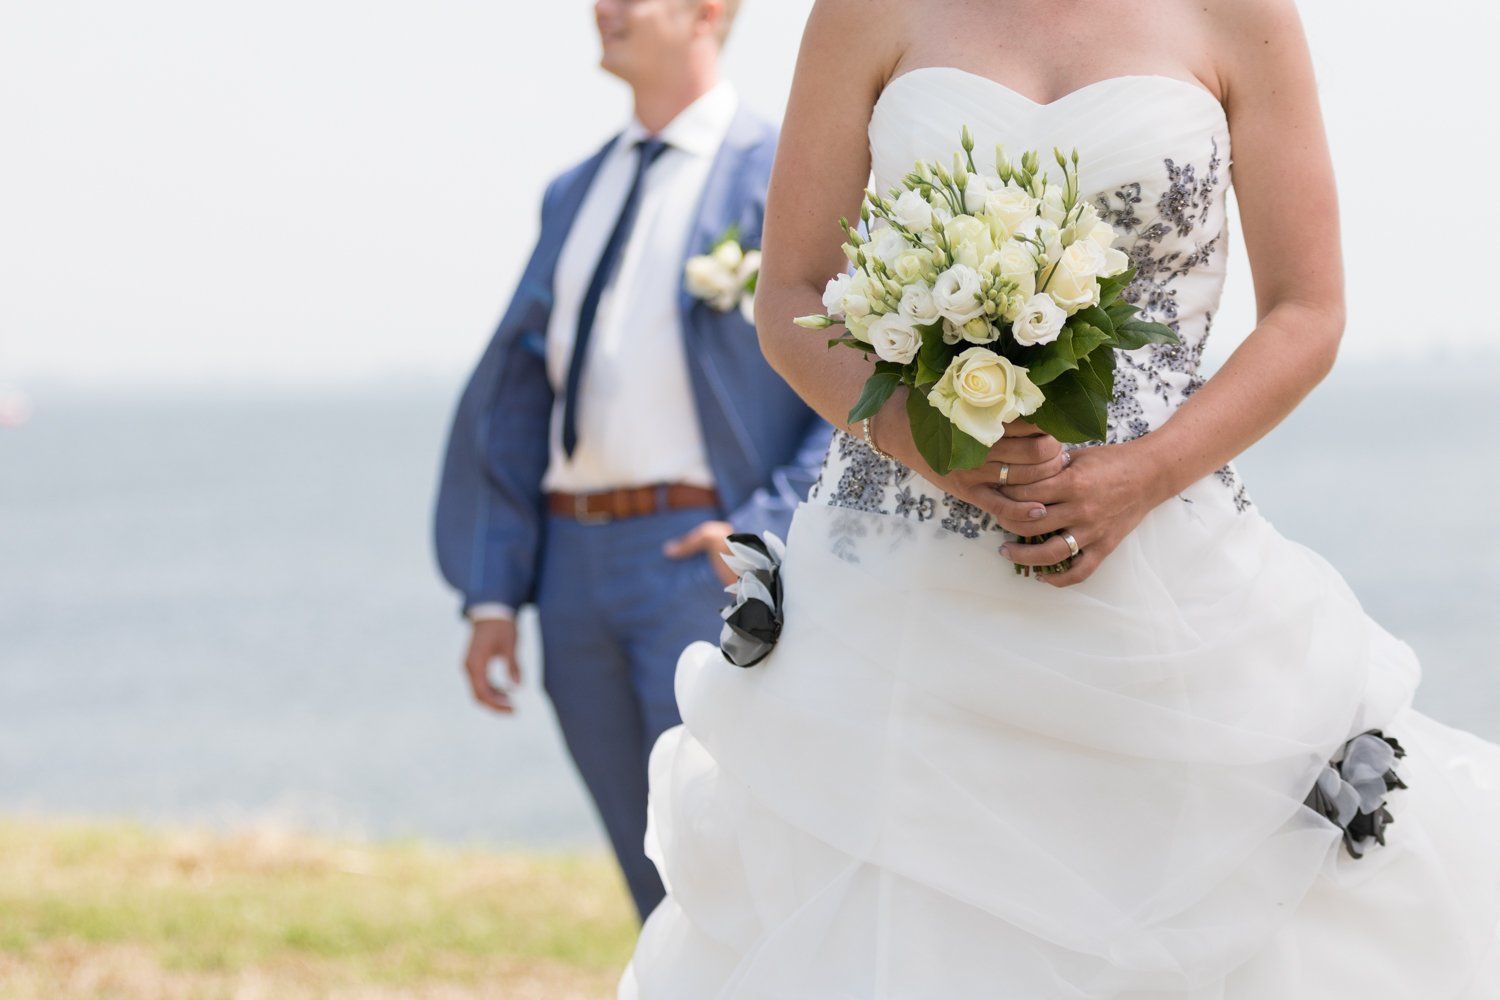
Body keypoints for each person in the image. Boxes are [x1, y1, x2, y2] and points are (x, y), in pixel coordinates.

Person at [620, 0, 1500, 994]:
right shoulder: (865, 11)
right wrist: (929, 446)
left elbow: (1308, 308)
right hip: (898, 591)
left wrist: (1143, 475)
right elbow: (792, 296)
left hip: (1160, 569)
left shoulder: (1240, 15)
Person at [432, 0, 830, 921]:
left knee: (727, 856)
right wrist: (494, 592)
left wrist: (762, 527)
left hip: (698, 559)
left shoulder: (781, 173)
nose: (602, 9)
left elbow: (855, 377)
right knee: (641, 863)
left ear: (708, 12)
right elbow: (520, 392)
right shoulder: (573, 190)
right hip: (571, 568)